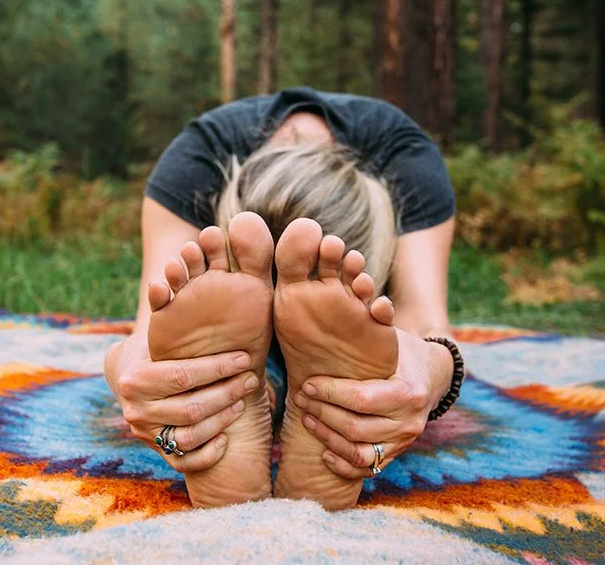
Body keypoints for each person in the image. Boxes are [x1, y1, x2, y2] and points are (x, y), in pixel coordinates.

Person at [104, 87, 464, 510]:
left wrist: (424, 370)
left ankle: (251, 394)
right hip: (242, 323)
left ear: (378, 260)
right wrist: (133, 372)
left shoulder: (407, 162)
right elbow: (149, 341)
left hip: (336, 330)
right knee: (191, 344)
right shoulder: (194, 164)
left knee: (389, 343)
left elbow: (424, 328)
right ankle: (293, 395)